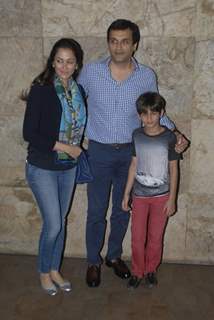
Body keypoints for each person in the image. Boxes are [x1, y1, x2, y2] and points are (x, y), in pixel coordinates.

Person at [78, 19, 188, 287]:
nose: (118, 46)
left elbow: (155, 112)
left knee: (122, 209)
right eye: (114, 40)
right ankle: (93, 261)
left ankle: (113, 256)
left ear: (134, 44)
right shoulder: (91, 72)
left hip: (132, 153)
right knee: (95, 210)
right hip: (99, 151)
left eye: (125, 41)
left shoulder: (146, 76)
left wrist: (176, 134)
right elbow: (74, 104)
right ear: (108, 43)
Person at [22, 38, 86, 295]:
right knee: (54, 224)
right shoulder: (42, 89)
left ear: (77, 64)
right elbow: (30, 133)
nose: (64, 66)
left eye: (69, 61)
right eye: (59, 60)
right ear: (52, 61)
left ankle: (55, 269)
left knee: (60, 221)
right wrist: (65, 147)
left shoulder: (77, 91)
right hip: (42, 166)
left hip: (67, 168)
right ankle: (43, 271)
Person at [122, 91, 180, 289]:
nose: (149, 118)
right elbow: (133, 164)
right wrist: (126, 193)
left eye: (153, 113)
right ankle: (137, 271)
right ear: (139, 115)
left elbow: (174, 168)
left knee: (156, 237)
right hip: (139, 197)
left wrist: (172, 199)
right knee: (138, 237)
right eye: (144, 114)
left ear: (161, 113)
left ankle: (150, 270)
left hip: (161, 198)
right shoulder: (136, 135)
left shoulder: (169, 137)